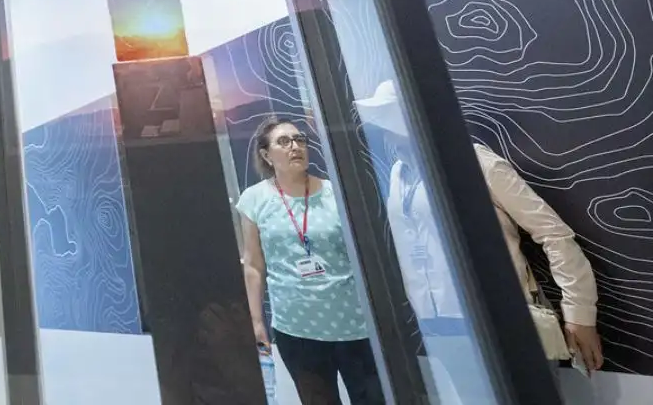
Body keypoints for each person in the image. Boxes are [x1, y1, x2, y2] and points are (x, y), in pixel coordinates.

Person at [356, 80, 604, 374]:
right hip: (438, 325)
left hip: (497, 318)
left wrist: (579, 313)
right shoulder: (399, 173)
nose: (384, 129)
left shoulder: (475, 163)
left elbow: (553, 233)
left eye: (388, 116)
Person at [237, 117, 383, 405]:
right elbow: (253, 264)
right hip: (296, 330)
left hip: (355, 325)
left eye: (299, 139)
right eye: (284, 142)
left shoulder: (336, 192)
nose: (295, 146)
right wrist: (255, 321)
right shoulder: (254, 199)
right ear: (266, 155)